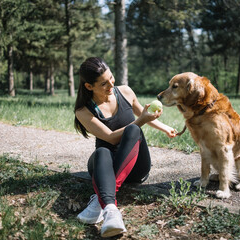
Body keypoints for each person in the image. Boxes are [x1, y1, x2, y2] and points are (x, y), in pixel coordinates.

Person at [74, 57, 177, 238]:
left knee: (133, 130)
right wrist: (141, 120)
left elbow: (142, 114)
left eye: (111, 78)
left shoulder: (125, 92)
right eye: (104, 83)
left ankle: (101, 200)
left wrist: (165, 127)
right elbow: (111, 138)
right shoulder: (83, 111)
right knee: (101, 151)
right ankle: (111, 212)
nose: (111, 84)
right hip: (104, 165)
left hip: (136, 166)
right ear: (89, 86)